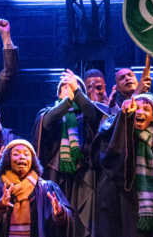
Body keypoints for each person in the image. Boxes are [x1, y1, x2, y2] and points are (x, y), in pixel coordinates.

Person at [31, 70, 103, 237]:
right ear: (58, 93)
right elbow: (48, 121)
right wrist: (68, 101)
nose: (68, 87)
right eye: (64, 86)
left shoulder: (86, 114)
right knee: (54, 218)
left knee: (79, 220)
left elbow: (93, 115)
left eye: (73, 86)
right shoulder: (47, 112)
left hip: (81, 176)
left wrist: (77, 93)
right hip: (54, 174)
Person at [93, 94, 153, 237]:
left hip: (139, 203)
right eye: (137, 108)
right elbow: (109, 160)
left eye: (146, 109)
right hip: (113, 198)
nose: (140, 112)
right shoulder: (114, 129)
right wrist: (124, 118)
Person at [0, 139, 73, 237]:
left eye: (26, 154)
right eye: (16, 154)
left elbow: (67, 221)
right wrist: (0, 205)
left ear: (32, 161)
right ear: (7, 159)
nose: (22, 157)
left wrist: (59, 213)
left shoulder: (46, 188)